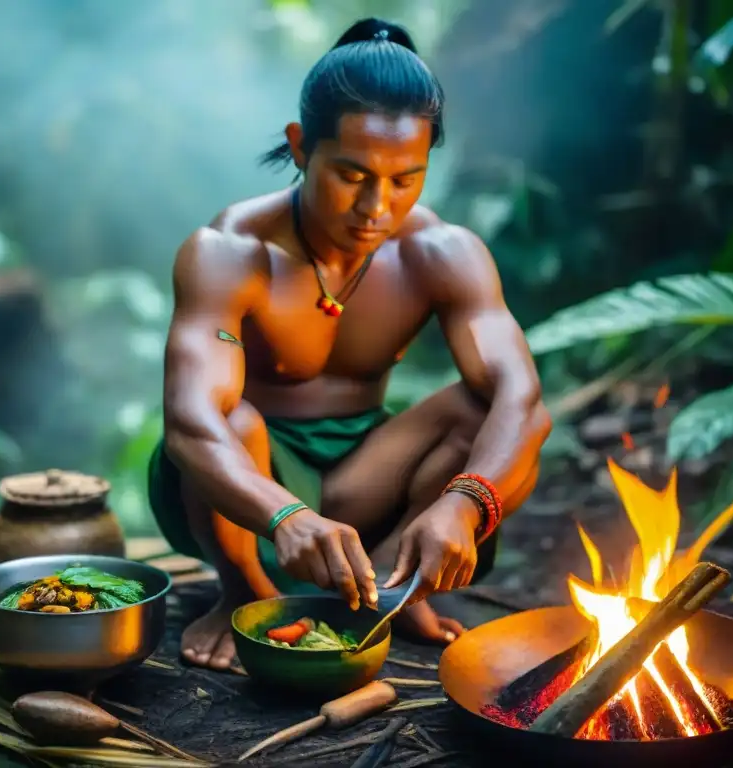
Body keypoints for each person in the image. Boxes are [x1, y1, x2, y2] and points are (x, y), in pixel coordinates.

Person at [148, 17, 552, 671]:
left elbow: (522, 400)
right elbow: (190, 422)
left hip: (369, 476)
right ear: (302, 146)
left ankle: (397, 583)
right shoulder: (229, 252)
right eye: (352, 174)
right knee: (229, 416)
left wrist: (465, 501)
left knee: (490, 413)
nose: (377, 206)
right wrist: (283, 515)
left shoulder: (441, 252)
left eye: (404, 179)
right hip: (251, 488)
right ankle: (242, 592)